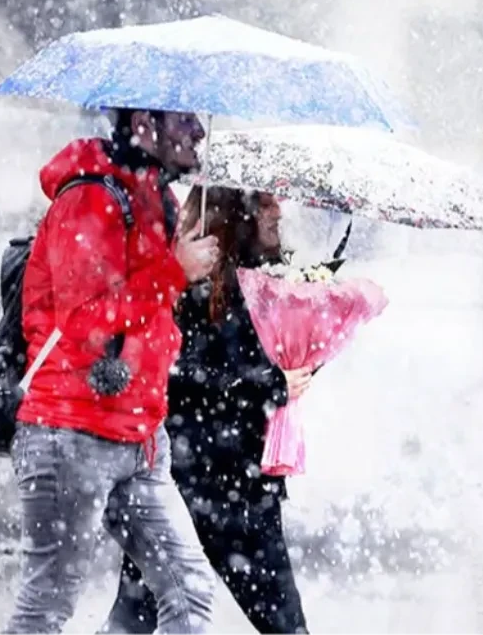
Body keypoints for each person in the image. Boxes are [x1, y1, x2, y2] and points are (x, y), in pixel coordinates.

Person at [5, 109, 221, 634]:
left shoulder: (158, 198)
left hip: (141, 437)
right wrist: (175, 271)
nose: (199, 131)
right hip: (70, 432)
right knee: (45, 609)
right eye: (184, 119)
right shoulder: (91, 197)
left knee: (190, 592)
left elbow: (152, 314)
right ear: (144, 121)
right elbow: (83, 321)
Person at [102, 186, 313, 635]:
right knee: (134, 620)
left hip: (231, 485)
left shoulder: (270, 285)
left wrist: (301, 364)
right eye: (266, 201)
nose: (278, 210)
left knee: (136, 620)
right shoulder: (190, 287)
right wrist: (269, 385)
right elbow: (180, 378)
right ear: (238, 215)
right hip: (200, 484)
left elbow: (257, 372)